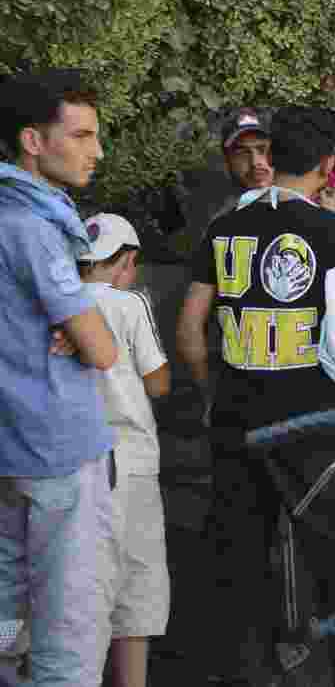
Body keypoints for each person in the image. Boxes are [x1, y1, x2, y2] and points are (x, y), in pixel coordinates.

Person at [177, 105, 335, 685]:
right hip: (305, 422)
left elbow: (192, 330)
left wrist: (212, 393)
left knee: (238, 561)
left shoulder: (224, 228)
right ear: (326, 165)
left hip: (234, 416)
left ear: (273, 156)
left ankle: (244, 674)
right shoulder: (330, 230)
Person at [0, 69, 118, 687]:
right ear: (33, 141)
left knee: (5, 613)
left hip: (9, 452)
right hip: (55, 452)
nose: (96, 151)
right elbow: (101, 349)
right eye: (82, 134)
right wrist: (81, 326)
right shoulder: (35, 226)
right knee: (68, 625)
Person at [77, 214, 171, 687]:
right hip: (128, 461)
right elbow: (157, 383)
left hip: (68, 461)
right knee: (136, 584)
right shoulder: (130, 302)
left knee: (77, 582)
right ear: (127, 262)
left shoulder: (59, 300)